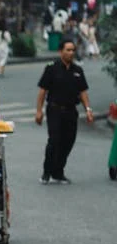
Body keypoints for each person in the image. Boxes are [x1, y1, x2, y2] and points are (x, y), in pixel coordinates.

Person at [35, 39, 94, 184]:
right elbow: (42, 91)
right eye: (68, 50)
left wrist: (88, 110)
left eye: (73, 50)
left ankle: (58, 172)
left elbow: (83, 92)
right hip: (55, 110)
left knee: (68, 142)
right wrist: (39, 111)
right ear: (60, 51)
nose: (71, 53)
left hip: (71, 111)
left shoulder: (78, 71)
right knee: (54, 141)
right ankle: (46, 172)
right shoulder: (51, 68)